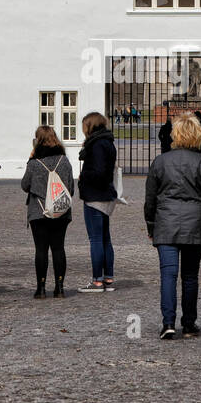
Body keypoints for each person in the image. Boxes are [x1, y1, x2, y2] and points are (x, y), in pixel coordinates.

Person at [145, 114, 201, 339]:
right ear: (197, 135)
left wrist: (151, 227)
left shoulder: (160, 161)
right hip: (195, 225)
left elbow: (150, 200)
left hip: (166, 225)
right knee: (190, 276)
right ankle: (189, 323)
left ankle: (168, 323)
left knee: (168, 275)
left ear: (175, 135)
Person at [21, 125, 74, 298]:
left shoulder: (35, 163)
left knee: (41, 250)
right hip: (61, 211)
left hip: (39, 211)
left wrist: (30, 161)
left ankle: (41, 288)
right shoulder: (64, 161)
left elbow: (25, 186)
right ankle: (60, 288)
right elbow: (71, 189)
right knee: (58, 249)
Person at [78, 112, 118, 292]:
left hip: (96, 196)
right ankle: (108, 278)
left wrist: (83, 177)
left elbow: (100, 172)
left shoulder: (97, 145)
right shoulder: (107, 142)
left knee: (96, 239)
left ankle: (97, 280)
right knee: (105, 239)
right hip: (105, 195)